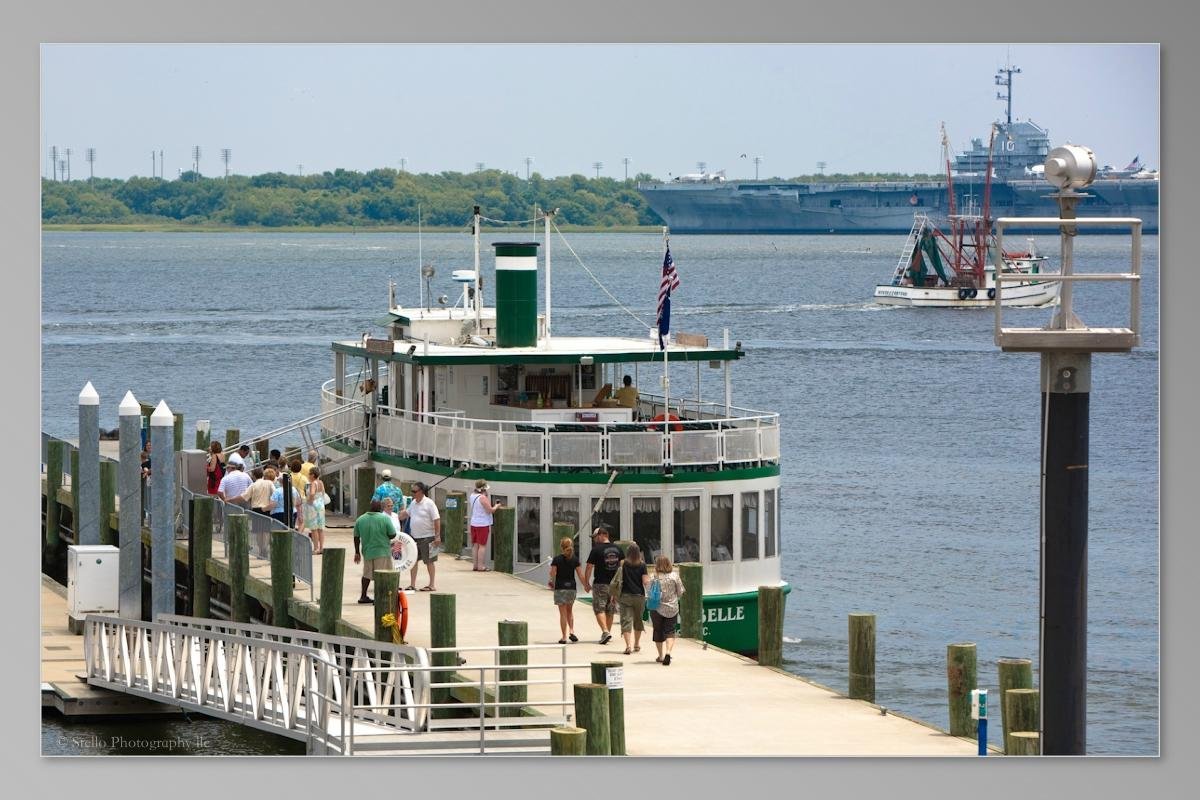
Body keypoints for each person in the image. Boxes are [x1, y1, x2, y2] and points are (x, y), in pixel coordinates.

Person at [583, 527, 623, 644]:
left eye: (595, 537)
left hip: (600, 583)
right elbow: (621, 567)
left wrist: (586, 583)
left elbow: (589, 567)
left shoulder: (596, 550)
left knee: (599, 608)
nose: (594, 540)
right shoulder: (617, 549)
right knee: (610, 609)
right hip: (614, 585)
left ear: (601, 535)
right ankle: (607, 633)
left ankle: (605, 631)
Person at [353, 499, 396, 604]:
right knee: (381, 576)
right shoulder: (385, 519)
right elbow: (392, 534)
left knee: (366, 574)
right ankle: (379, 597)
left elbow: (356, 537)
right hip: (382, 551)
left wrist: (357, 552)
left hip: (367, 552)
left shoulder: (360, 519)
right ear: (380, 508)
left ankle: (363, 596)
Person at [405, 481, 441, 591]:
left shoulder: (429, 503)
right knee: (413, 561)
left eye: (414, 491)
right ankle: (412, 584)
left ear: (421, 492)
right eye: (412, 491)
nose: (412, 493)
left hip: (428, 537)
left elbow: (437, 519)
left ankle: (431, 584)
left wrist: (437, 536)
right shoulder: (413, 503)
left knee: (429, 561)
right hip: (414, 537)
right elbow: (406, 514)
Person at [649, 554, 685, 665]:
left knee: (658, 631)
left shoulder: (653, 577)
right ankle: (668, 653)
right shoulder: (675, 576)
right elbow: (680, 592)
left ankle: (660, 656)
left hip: (657, 608)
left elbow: (648, 592)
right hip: (672, 608)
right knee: (670, 632)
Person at [548, 537, 585, 644]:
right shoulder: (575, 559)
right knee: (570, 611)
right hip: (571, 588)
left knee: (563, 614)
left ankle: (564, 636)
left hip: (560, 588)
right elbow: (580, 575)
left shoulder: (557, 559)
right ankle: (572, 631)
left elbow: (553, 574)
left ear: (561, 547)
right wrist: (586, 585)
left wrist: (550, 579)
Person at [617, 542, 651, 656]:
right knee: (638, 620)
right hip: (639, 596)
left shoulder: (622, 564)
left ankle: (628, 646)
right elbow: (645, 581)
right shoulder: (642, 565)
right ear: (638, 553)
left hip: (625, 596)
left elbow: (618, 580)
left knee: (626, 621)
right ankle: (636, 644)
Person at [467, 479, 502, 572]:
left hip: (473, 523)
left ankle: (475, 565)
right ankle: (481, 566)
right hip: (482, 524)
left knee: (475, 545)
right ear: (483, 489)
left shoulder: (472, 496)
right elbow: (490, 510)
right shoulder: (482, 498)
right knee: (482, 546)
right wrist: (497, 506)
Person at [305, 466, 327, 555]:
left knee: (314, 529)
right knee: (320, 528)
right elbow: (323, 493)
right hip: (321, 506)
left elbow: (312, 493)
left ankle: (316, 548)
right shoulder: (321, 482)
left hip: (313, 506)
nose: (308, 475)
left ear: (313, 475)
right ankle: (321, 548)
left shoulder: (313, 483)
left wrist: (309, 501)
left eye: (309, 474)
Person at [288, 457, 308, 533]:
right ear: (300, 468)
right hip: (301, 500)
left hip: (290, 500)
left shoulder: (288, 477)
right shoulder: (304, 478)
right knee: (301, 520)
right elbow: (308, 491)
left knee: (291, 519)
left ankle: (292, 532)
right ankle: (299, 534)